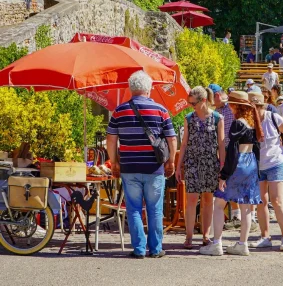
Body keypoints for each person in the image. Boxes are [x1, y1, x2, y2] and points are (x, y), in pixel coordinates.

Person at [106, 71, 177, 259]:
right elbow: (171, 138)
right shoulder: (161, 110)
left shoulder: (119, 111)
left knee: (134, 208)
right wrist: (171, 161)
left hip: (129, 167)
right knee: (155, 209)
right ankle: (155, 249)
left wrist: (114, 162)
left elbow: (111, 140)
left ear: (131, 89)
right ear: (149, 89)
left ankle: (138, 249)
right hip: (154, 168)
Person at [199, 92, 263, 256]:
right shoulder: (251, 123)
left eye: (231, 104)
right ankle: (243, 244)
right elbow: (257, 148)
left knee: (219, 204)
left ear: (235, 106)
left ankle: (217, 243)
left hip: (239, 163)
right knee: (246, 206)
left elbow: (233, 152)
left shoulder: (237, 124)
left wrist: (224, 175)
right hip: (251, 164)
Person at [176, 86, 225, 249]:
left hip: (211, 163)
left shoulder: (218, 118)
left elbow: (221, 145)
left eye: (193, 103)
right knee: (191, 200)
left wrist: (222, 168)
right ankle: (189, 236)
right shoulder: (189, 118)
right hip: (192, 163)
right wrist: (178, 166)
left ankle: (205, 235)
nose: (191, 106)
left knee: (207, 200)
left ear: (203, 101)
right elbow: (183, 144)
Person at [249, 94, 283, 251]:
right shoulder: (249, 122)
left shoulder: (273, 117)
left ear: (261, 107)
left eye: (254, 107)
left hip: (276, 162)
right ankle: (265, 237)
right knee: (261, 201)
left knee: (276, 200)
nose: (252, 111)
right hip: (258, 165)